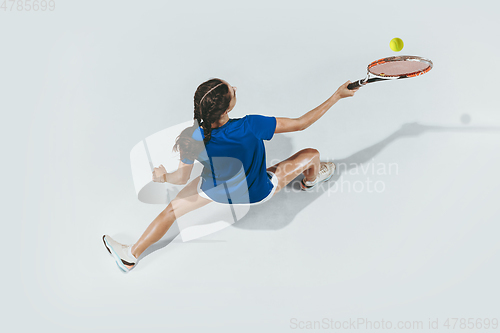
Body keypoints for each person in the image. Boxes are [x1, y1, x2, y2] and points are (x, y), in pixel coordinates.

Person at [103, 78, 359, 272]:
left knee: (170, 211)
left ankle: (131, 255)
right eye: (232, 90)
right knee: (311, 154)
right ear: (225, 110)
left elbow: (180, 178)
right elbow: (302, 123)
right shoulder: (251, 125)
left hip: (213, 190)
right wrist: (337, 95)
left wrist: (162, 178)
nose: (235, 87)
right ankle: (311, 181)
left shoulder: (190, 137)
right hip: (258, 191)